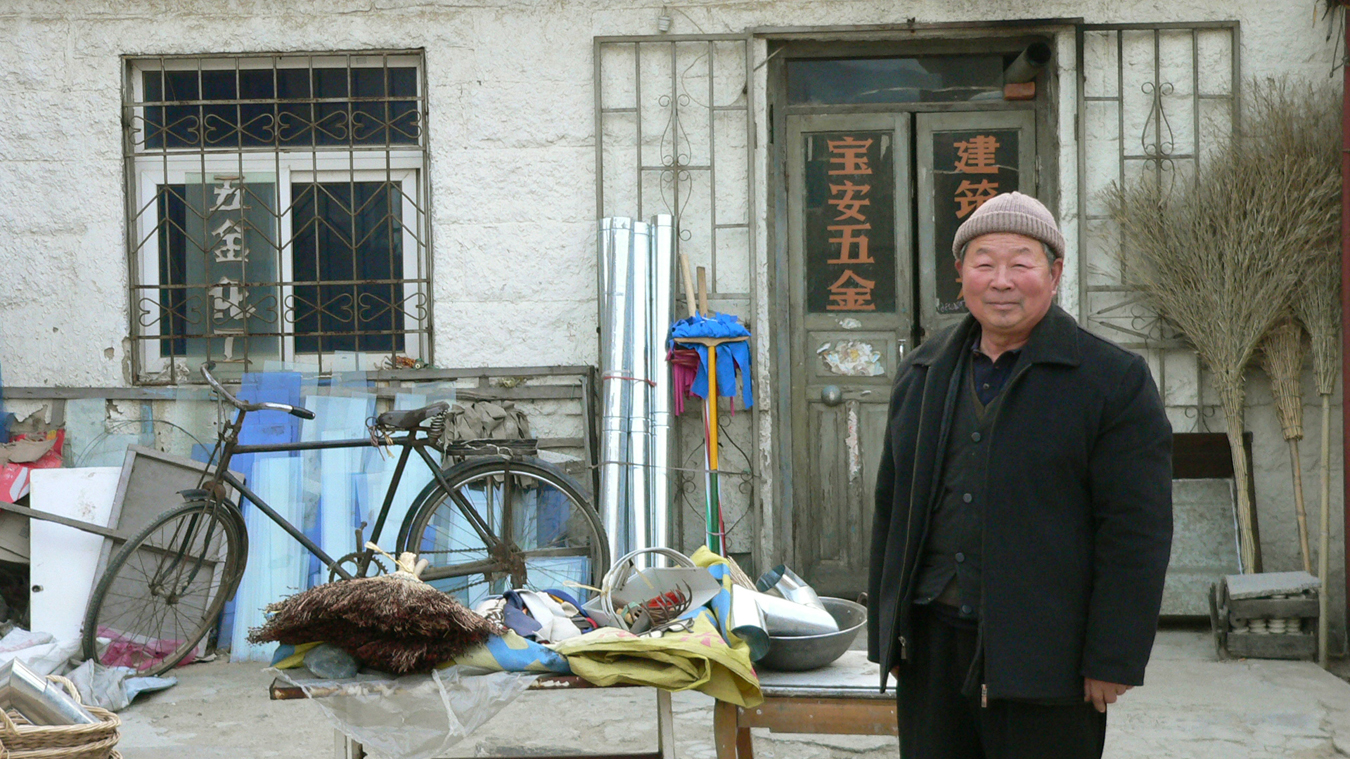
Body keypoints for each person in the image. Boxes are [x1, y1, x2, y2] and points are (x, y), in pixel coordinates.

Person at [866, 192, 1173, 759]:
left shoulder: (1111, 380)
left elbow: (1137, 531)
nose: (1001, 281)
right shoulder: (924, 371)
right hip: (932, 646)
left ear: (1054, 274)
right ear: (961, 274)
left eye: (1021, 264)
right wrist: (887, 634)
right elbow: (892, 507)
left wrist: (1113, 656)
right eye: (984, 263)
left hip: (1048, 655)